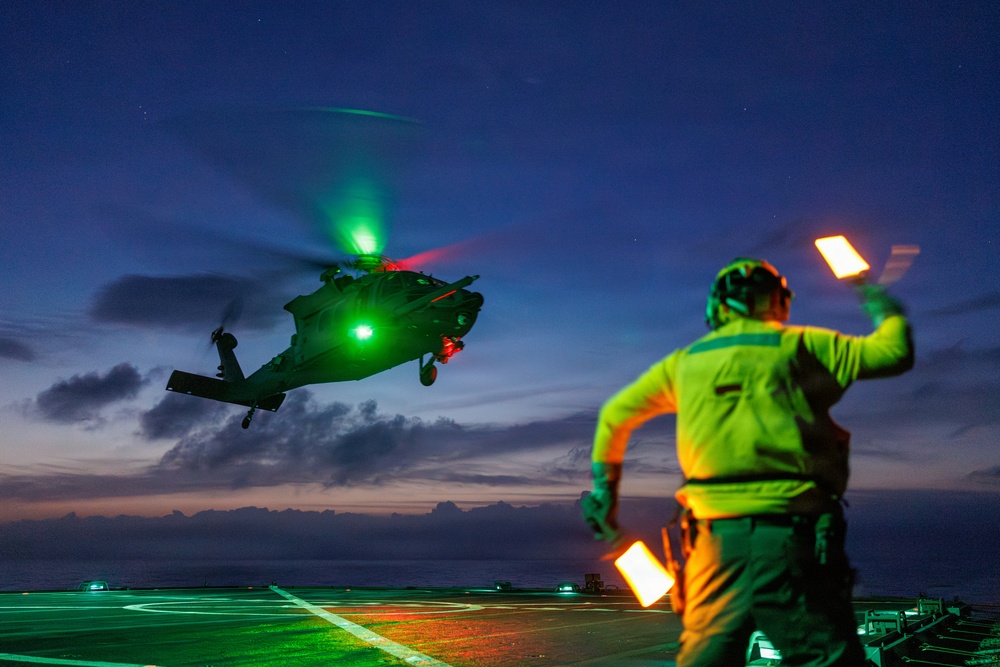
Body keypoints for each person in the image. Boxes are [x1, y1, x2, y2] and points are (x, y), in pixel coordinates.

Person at [583, 257, 914, 667]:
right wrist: (874, 295)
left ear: (716, 308)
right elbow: (895, 352)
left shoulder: (686, 362)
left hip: (713, 547)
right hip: (794, 541)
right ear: (779, 302)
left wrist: (604, 493)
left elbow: (615, 415)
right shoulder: (804, 345)